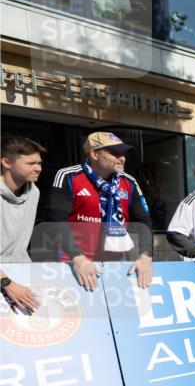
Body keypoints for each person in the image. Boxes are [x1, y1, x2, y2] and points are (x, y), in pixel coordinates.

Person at [47, 132, 153, 291]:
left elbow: (144, 221)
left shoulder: (129, 181)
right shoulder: (69, 176)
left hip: (115, 260)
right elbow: (57, 221)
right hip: (74, 260)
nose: (122, 158)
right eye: (115, 153)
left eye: (123, 153)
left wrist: (146, 256)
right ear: (94, 154)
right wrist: (78, 259)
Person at [0, 136, 45, 313]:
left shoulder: (34, 192)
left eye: (40, 163)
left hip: (22, 275)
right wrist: (7, 283)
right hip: (7, 282)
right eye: (31, 163)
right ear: (6, 163)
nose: (38, 168)